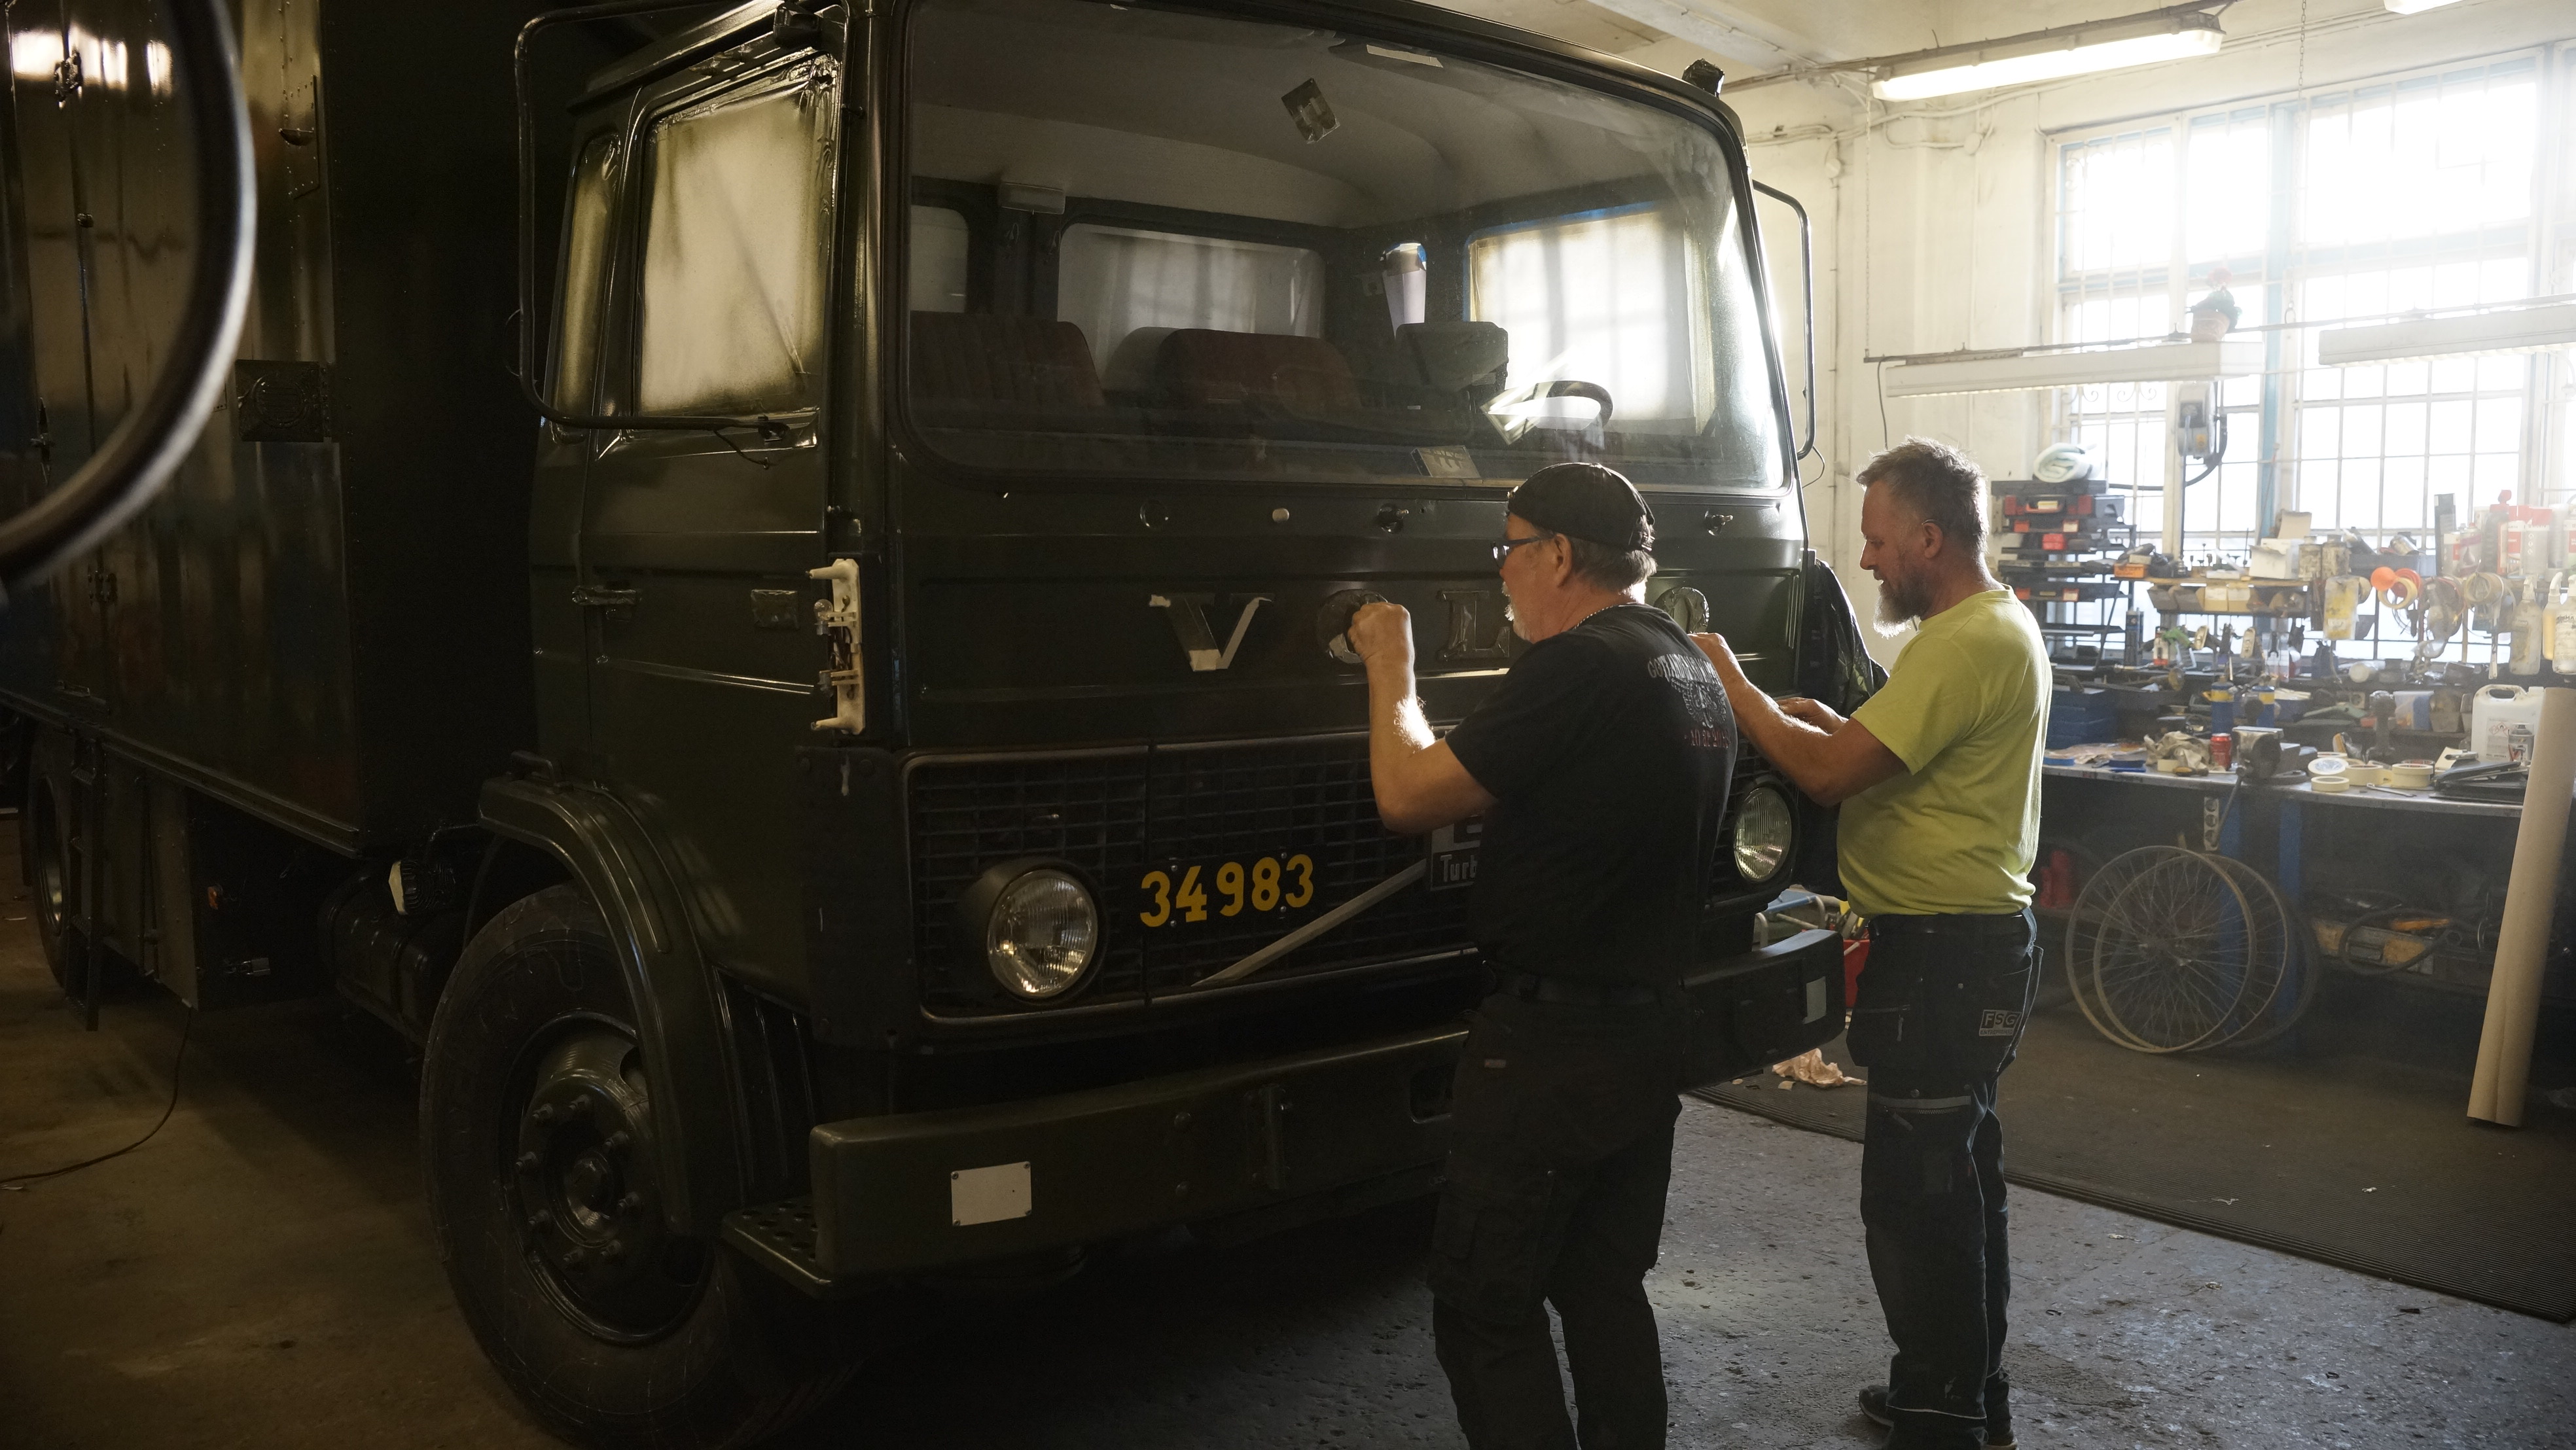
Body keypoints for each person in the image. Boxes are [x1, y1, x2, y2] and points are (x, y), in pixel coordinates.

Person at [1346, 461, 1734, 1450]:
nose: (1502, 573)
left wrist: (1391, 663)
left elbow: (1408, 794)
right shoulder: (1685, 666)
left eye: (1510, 550)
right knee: (1601, 1287)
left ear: (1559, 554)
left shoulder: (1576, 668)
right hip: (1647, 1032)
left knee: (1485, 1306)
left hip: (1549, 1050)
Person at [1690, 438, 2047, 1450]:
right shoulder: (1996, 626)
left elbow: (1828, 776)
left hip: (1941, 957)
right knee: (1960, 1182)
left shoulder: (1962, 643)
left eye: (1880, 541)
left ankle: (1942, 1417)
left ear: (1929, 539)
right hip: (1969, 948)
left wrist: (1729, 679)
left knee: (1918, 1196)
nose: (1868, 559)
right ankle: (1962, 1392)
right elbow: (1877, 746)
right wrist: (1816, 718)